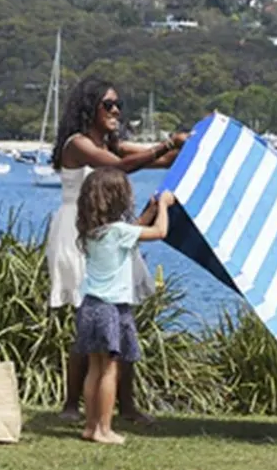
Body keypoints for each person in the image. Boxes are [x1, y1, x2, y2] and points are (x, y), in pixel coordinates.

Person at [45, 76, 188, 423]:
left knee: (121, 314)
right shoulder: (77, 144)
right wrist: (168, 142)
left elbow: (157, 160)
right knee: (86, 315)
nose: (115, 111)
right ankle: (70, 405)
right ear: (89, 107)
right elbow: (118, 166)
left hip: (108, 230)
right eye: (108, 105)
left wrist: (185, 148)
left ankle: (125, 405)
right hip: (77, 230)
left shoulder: (112, 143)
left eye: (118, 105)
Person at [74, 168, 175, 444]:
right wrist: (164, 206)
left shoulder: (93, 231)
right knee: (110, 370)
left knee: (95, 369)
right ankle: (104, 429)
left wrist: (151, 210)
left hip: (89, 306)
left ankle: (90, 426)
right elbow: (159, 232)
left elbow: (137, 228)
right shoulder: (119, 231)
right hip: (111, 309)